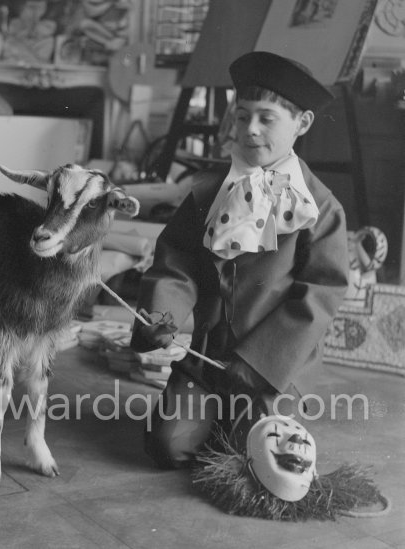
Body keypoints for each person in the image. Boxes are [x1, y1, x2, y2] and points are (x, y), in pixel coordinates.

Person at [130, 51, 349, 469]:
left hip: (272, 368)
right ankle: (205, 416)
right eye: (243, 115)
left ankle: (244, 421)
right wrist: (162, 313)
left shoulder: (320, 209)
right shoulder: (211, 191)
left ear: (301, 124)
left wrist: (258, 363)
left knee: (252, 453)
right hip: (207, 361)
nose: (249, 130)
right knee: (167, 446)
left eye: (267, 119)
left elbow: (321, 295)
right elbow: (176, 260)